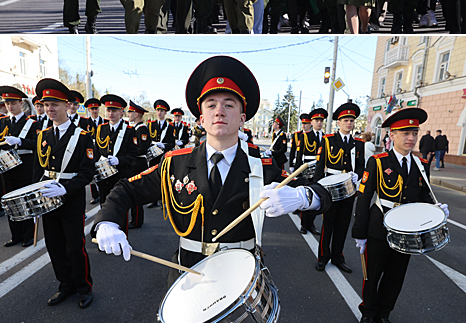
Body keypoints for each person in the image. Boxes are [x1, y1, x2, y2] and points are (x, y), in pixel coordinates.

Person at [95, 55, 326, 287]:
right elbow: (127, 189)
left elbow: (322, 193)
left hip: (241, 274)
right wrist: (107, 221)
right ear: (201, 119)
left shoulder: (261, 165)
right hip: (189, 273)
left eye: (229, 104)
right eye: (211, 105)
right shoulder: (175, 164)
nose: (220, 112)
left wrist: (303, 197)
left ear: (242, 118)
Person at [352, 106, 448, 323]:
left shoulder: (420, 165)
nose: (411, 138)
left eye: (414, 133)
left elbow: (424, 196)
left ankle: (384, 314)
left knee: (396, 276)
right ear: (392, 135)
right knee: (372, 274)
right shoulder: (377, 162)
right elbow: (364, 199)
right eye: (405, 133)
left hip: (407, 232)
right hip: (379, 228)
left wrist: (435, 209)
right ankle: (368, 313)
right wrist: (360, 233)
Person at [30, 78, 95, 308]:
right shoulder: (42, 136)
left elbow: (87, 173)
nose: (50, 109)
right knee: (55, 246)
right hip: (48, 200)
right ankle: (65, 285)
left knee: (74, 247)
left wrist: (65, 188)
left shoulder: (83, 136)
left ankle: (84, 287)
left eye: (55, 104)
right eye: (46, 104)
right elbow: (37, 172)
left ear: (67, 105)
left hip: (71, 200)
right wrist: (36, 197)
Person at [314, 102, 365, 274]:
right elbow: (321, 166)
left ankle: (338, 256)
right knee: (328, 224)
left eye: (351, 120)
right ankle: (323, 256)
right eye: (345, 120)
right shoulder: (328, 140)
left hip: (349, 190)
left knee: (343, 225)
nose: (349, 123)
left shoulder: (358, 143)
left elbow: (360, 166)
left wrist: (357, 176)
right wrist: (317, 188)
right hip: (330, 190)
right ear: (339, 122)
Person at [0, 82, 37, 249]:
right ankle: (16, 235)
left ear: (21, 103)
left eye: (13, 103)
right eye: (7, 103)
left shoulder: (32, 123)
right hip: (7, 169)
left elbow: (37, 144)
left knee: (25, 201)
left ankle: (28, 235)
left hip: (25, 168)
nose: (10, 106)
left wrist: (21, 141)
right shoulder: (1, 122)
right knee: (10, 202)